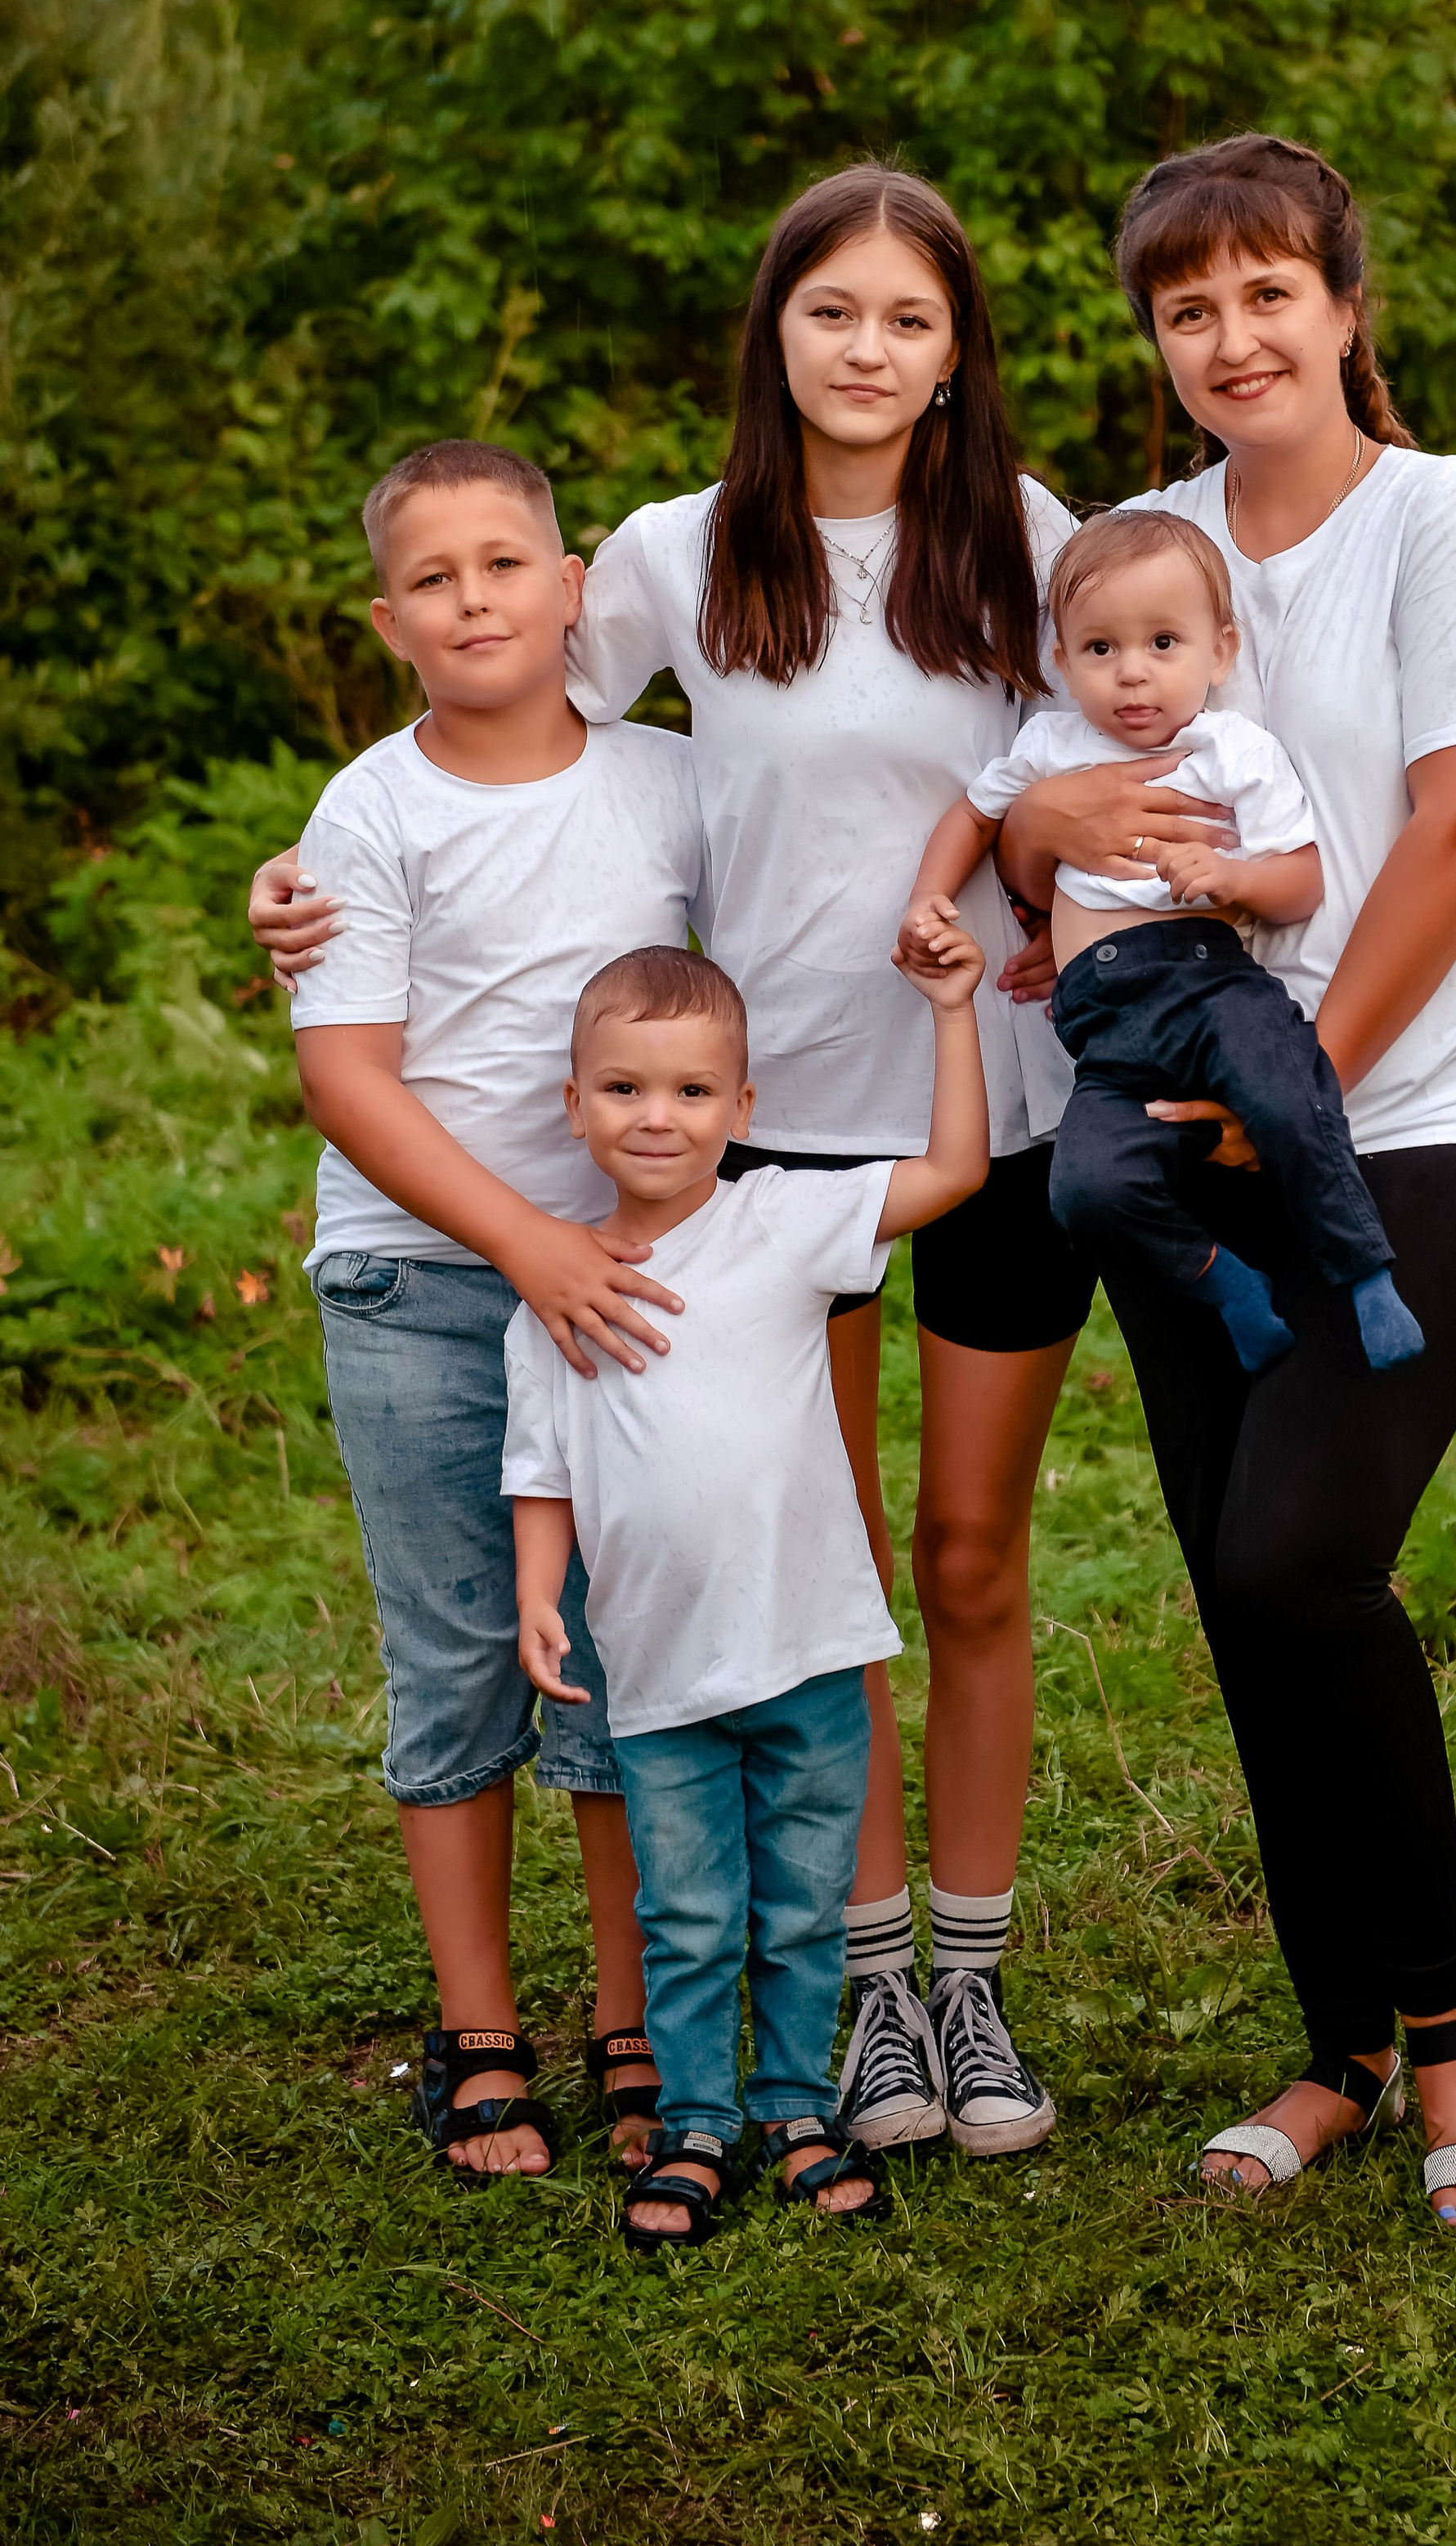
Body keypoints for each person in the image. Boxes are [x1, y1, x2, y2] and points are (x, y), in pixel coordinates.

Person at [248, 170, 1082, 2158]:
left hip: (996, 1111)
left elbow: (1121, 730)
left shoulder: (1021, 540)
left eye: (905, 317)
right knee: (820, 1563)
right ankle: (858, 1982)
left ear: (955, 345)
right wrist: (309, 871)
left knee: (965, 1560)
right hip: (757, 1139)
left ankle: (963, 1981)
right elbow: (495, 697)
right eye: (829, 312)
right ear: (772, 331)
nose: (865, 349)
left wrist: (1074, 895)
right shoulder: (679, 549)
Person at [996, 133, 1456, 2236]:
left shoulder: (1443, 515)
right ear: (1154, 342)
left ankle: (1450, 2015)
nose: (1229, 337)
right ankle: (1331, 2041)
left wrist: (1296, 1097)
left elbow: (1455, 826)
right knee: (1235, 1576)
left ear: (1340, 305)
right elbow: (1044, 794)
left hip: (1427, 1116)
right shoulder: (1139, 546)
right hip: (1183, 1126)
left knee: (1294, 1559)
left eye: (1265, 293)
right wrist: (1043, 819)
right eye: (1184, 307)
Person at [282, 437, 707, 2180]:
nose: (474, 598)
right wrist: (524, 1244)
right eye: (435, 578)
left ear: (572, 590)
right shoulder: (370, 810)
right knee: (458, 1654)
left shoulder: (673, 787)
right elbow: (349, 1080)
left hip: (622, 1288)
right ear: (391, 621)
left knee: (616, 1660)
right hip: (421, 1283)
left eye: (503, 564)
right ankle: (476, 2033)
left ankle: (629, 2021)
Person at [509, 921, 990, 2248]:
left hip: (811, 1650)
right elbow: (541, 1471)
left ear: (743, 1107)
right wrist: (540, 1593)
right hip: (657, 1670)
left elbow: (952, 1171)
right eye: (624, 1089)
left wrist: (952, 1012)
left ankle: (794, 2107)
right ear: (575, 1104)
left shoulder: (785, 1222)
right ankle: (696, 2122)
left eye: (692, 1091)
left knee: (797, 1902)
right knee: (690, 1912)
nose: (657, 1118)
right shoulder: (558, 1290)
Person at [900, 508, 1422, 1377]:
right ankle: (1227, 1286)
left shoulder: (1230, 750)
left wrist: (1232, 879)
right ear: (1062, 663)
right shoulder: (1049, 746)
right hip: (1105, 1034)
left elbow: (1300, 879)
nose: (1131, 673)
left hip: (1212, 991)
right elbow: (972, 815)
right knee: (1084, 1187)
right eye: (1099, 650)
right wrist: (928, 898)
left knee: (1289, 1091)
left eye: (1163, 644)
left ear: (1220, 652)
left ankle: (1363, 1273)